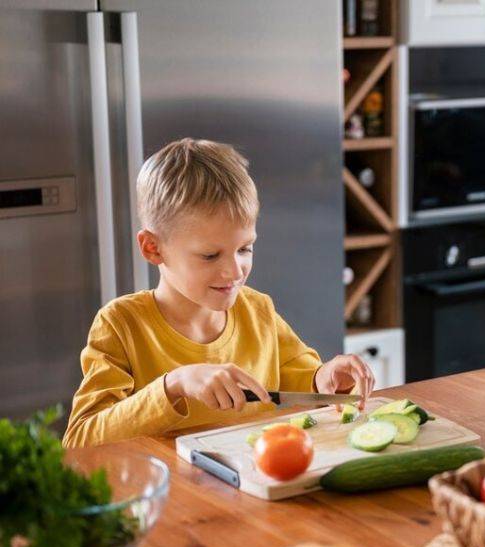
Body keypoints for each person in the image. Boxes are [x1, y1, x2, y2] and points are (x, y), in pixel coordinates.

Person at [64, 139, 374, 448]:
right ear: (152, 248)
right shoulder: (120, 325)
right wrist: (174, 385)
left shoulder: (256, 309)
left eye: (244, 249)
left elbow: (302, 377)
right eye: (210, 256)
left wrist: (327, 378)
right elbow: (81, 440)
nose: (235, 271)